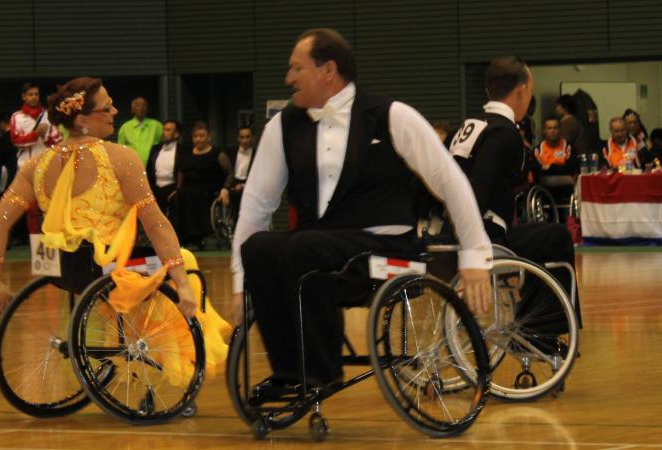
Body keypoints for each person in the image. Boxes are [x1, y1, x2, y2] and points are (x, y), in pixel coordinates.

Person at [231, 29, 493, 392]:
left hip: (384, 246)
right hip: (319, 246)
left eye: (296, 68)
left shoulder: (392, 115)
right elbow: (256, 205)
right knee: (258, 248)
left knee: (303, 247)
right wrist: (239, 283)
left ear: (328, 70)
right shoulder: (282, 125)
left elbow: (450, 182)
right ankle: (290, 373)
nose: (288, 78)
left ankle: (320, 373)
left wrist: (476, 254)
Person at [0, 77, 228, 376]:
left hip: (55, 267)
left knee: (120, 271)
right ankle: (180, 367)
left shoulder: (37, 166)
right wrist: (182, 282)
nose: (114, 112)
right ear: (83, 119)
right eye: (107, 107)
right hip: (102, 266)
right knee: (182, 262)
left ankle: (102, 354)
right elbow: (155, 223)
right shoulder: (121, 158)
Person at [450, 55, 580, 331]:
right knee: (557, 236)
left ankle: (534, 321)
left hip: (452, 230)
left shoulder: (469, 125)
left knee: (539, 235)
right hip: (484, 235)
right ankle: (542, 331)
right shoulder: (504, 132)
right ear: (522, 91)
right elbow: (479, 188)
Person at [10, 82, 62, 234]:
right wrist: (36, 135)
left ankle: (52, 238)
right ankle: (35, 240)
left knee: (50, 204)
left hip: (46, 164)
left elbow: (57, 141)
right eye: (30, 94)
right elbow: (16, 141)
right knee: (31, 208)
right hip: (25, 166)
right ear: (24, 97)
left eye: (36, 94)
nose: (34, 97)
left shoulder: (48, 115)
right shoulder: (17, 117)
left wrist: (45, 136)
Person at [172, 121, 232, 248]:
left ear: (209, 137)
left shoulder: (218, 154)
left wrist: (225, 189)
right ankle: (180, 237)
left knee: (194, 195)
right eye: (195, 136)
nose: (198, 139)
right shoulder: (186, 153)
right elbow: (181, 172)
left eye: (201, 136)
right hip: (188, 188)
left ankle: (196, 236)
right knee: (179, 196)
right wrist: (177, 189)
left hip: (209, 188)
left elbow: (230, 173)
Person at [219, 126, 255, 222]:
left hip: (250, 185)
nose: (244, 140)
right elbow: (227, 173)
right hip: (232, 183)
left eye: (247, 137)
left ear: (253, 138)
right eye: (242, 137)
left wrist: (244, 185)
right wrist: (225, 188)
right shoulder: (230, 152)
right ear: (238, 138)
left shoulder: (257, 154)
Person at [146, 120, 181, 215]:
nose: (163, 133)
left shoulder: (182, 150)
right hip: (156, 189)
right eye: (163, 130)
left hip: (174, 190)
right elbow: (149, 171)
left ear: (176, 134)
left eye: (168, 130)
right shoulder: (155, 149)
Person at [117, 96, 163, 165]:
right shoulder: (125, 127)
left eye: (144, 106)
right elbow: (120, 150)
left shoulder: (156, 125)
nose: (141, 108)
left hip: (154, 166)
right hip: (132, 166)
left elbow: (165, 145)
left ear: (147, 109)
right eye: (138, 105)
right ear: (132, 109)